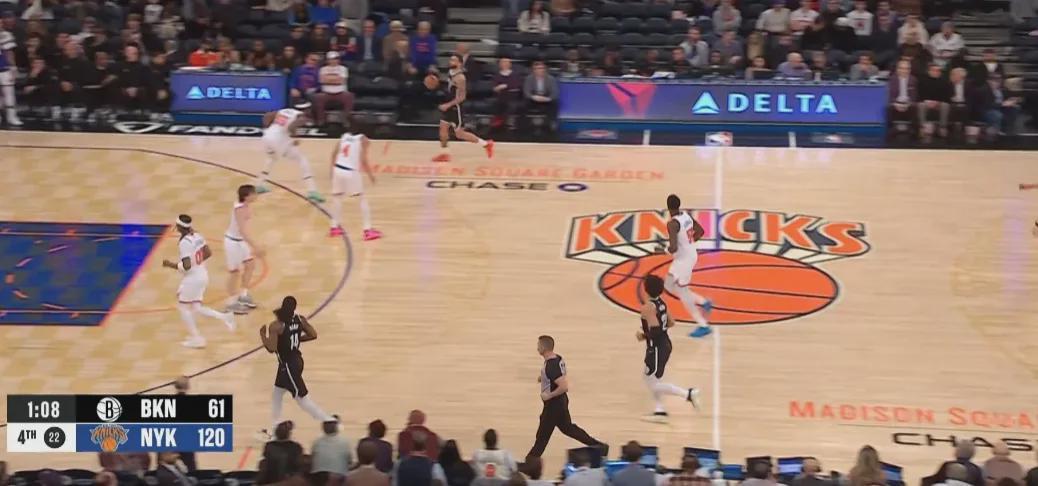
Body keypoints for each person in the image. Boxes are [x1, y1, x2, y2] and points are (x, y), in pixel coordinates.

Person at [259, 295, 337, 434]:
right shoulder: (300, 319)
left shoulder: (277, 325)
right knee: (277, 394)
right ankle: (275, 428)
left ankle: (329, 421)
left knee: (302, 399)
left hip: (288, 366)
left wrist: (262, 335)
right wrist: (298, 339)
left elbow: (271, 348)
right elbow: (313, 334)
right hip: (295, 361)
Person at [161, 215, 235, 349]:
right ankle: (225, 317)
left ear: (180, 227)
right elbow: (208, 253)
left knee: (183, 307)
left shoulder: (184, 243)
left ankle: (197, 338)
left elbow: (187, 266)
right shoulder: (197, 235)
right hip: (202, 274)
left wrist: (170, 264)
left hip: (193, 279)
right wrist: (196, 262)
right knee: (196, 307)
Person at [526, 335, 607, 458]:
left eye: (538, 346)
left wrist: (549, 395)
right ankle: (599, 447)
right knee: (568, 429)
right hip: (561, 402)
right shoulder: (557, 358)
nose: (537, 348)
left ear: (544, 348)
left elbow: (564, 386)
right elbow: (557, 375)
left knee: (542, 437)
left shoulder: (551, 366)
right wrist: (543, 378)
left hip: (553, 405)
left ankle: (530, 462)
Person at [638, 273, 700, 422]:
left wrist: (643, 335)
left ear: (646, 289)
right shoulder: (662, 303)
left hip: (657, 348)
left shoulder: (648, 307)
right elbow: (671, 322)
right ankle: (659, 411)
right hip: (665, 344)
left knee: (652, 382)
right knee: (653, 380)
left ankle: (688, 394)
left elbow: (655, 330)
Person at [659, 194, 712, 338]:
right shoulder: (686, 216)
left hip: (684, 261)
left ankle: (703, 325)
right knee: (669, 285)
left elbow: (673, 248)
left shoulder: (672, 224)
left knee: (682, 293)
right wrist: (688, 244)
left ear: (668, 207)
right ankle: (703, 302)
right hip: (688, 256)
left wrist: (662, 250)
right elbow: (701, 232)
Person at [257, 101, 325, 203]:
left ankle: (259, 184)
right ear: (306, 109)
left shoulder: (284, 111)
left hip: (267, 137)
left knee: (271, 159)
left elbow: (267, 116)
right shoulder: (301, 116)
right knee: (302, 160)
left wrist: (268, 127)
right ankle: (312, 190)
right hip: (278, 140)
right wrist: (295, 137)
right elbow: (291, 127)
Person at [433, 53, 494, 163]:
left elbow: (462, 97)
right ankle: (445, 154)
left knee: (460, 134)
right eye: (450, 59)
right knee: (443, 129)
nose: (451, 62)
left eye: (454, 60)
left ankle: (486, 144)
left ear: (460, 63)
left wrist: (447, 105)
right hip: (449, 106)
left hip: (456, 108)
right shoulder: (450, 72)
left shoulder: (461, 78)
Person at [327, 131, 383, 241]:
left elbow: (333, 154)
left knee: (337, 198)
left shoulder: (344, 136)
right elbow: (363, 161)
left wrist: (331, 171)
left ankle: (334, 228)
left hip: (338, 168)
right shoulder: (363, 139)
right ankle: (368, 230)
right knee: (362, 200)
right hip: (350, 171)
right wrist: (371, 176)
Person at [221, 185, 263, 314]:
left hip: (240, 242)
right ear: (246, 196)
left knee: (250, 265)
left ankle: (243, 295)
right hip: (233, 242)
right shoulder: (240, 210)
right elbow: (242, 231)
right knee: (234, 273)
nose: (256, 195)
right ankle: (230, 303)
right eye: (253, 193)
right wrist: (256, 246)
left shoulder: (245, 206)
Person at [313, 50, 354, 127]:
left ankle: (345, 119)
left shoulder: (343, 69)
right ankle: (321, 120)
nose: (333, 61)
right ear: (327, 60)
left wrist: (329, 79)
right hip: (326, 93)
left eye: (335, 59)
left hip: (341, 93)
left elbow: (341, 81)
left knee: (349, 96)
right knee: (318, 97)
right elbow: (322, 80)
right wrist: (335, 79)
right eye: (331, 59)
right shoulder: (323, 69)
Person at [917, 63, 951, 137]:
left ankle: (942, 127)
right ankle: (922, 127)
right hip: (926, 103)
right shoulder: (922, 81)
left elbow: (947, 97)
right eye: (933, 70)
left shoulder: (944, 82)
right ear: (929, 71)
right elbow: (919, 94)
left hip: (939, 104)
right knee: (921, 105)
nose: (936, 72)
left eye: (938, 71)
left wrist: (938, 102)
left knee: (945, 105)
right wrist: (927, 101)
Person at [887, 60, 917, 124]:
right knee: (888, 108)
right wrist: (896, 104)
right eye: (902, 68)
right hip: (895, 102)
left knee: (915, 107)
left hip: (908, 103)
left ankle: (913, 129)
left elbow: (914, 96)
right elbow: (889, 96)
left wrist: (908, 104)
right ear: (897, 69)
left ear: (910, 70)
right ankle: (890, 129)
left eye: (907, 69)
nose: (904, 71)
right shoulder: (891, 79)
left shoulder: (913, 79)